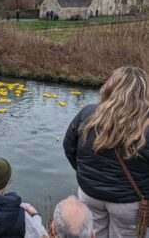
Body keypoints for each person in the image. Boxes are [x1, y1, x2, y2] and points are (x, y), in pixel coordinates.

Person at [64, 66, 149, 237]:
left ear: (111, 86)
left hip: (90, 194)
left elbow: (69, 148)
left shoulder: (88, 112)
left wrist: (86, 173)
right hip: (130, 203)